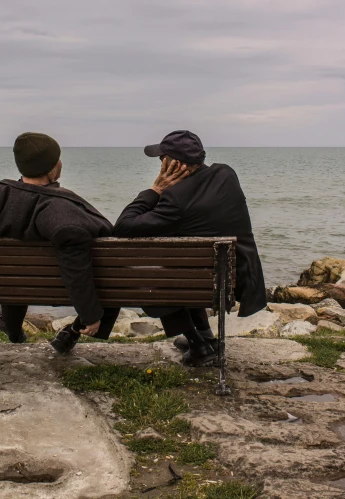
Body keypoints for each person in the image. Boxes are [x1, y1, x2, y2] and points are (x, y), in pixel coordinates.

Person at [0, 132, 117, 353]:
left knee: (12, 275)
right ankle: (71, 331)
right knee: (109, 270)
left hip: (4, 284)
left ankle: (13, 328)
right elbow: (75, 259)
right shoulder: (62, 212)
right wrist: (90, 314)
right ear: (53, 168)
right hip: (54, 287)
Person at [113, 130, 266, 367]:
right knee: (187, 268)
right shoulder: (227, 174)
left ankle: (199, 345)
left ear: (173, 164)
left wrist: (155, 189)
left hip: (196, 284)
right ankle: (206, 337)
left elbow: (123, 226)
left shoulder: (175, 198)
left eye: (161, 158)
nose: (159, 162)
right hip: (236, 280)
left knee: (153, 278)